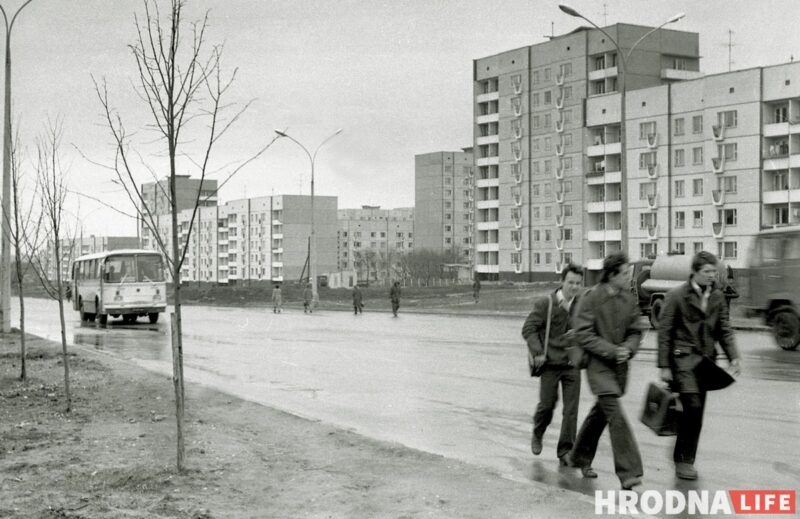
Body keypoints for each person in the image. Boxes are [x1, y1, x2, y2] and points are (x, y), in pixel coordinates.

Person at [657, 251, 740, 481]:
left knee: (697, 412)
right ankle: (683, 460)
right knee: (692, 405)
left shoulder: (717, 297)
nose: (712, 276)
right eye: (707, 272)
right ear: (694, 272)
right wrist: (664, 365)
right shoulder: (676, 295)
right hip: (682, 359)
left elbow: (724, 328)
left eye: (714, 271)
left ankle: (684, 456)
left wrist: (734, 356)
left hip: (705, 361)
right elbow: (664, 332)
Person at [569, 252, 644, 490]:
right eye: (624, 274)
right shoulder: (591, 298)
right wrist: (612, 350)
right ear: (611, 275)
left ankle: (579, 456)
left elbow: (636, 330)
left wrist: (628, 349)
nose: (628, 278)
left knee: (601, 412)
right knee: (615, 414)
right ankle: (629, 472)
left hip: (619, 367)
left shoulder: (628, 299)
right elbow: (583, 333)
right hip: (597, 365)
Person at [521, 263, 584, 465]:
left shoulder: (581, 305)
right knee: (547, 406)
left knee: (571, 409)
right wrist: (538, 351)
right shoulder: (546, 304)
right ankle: (538, 432)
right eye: (570, 282)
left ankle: (566, 451)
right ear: (562, 282)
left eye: (578, 283)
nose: (574, 287)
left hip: (572, 364)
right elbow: (528, 329)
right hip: (549, 363)